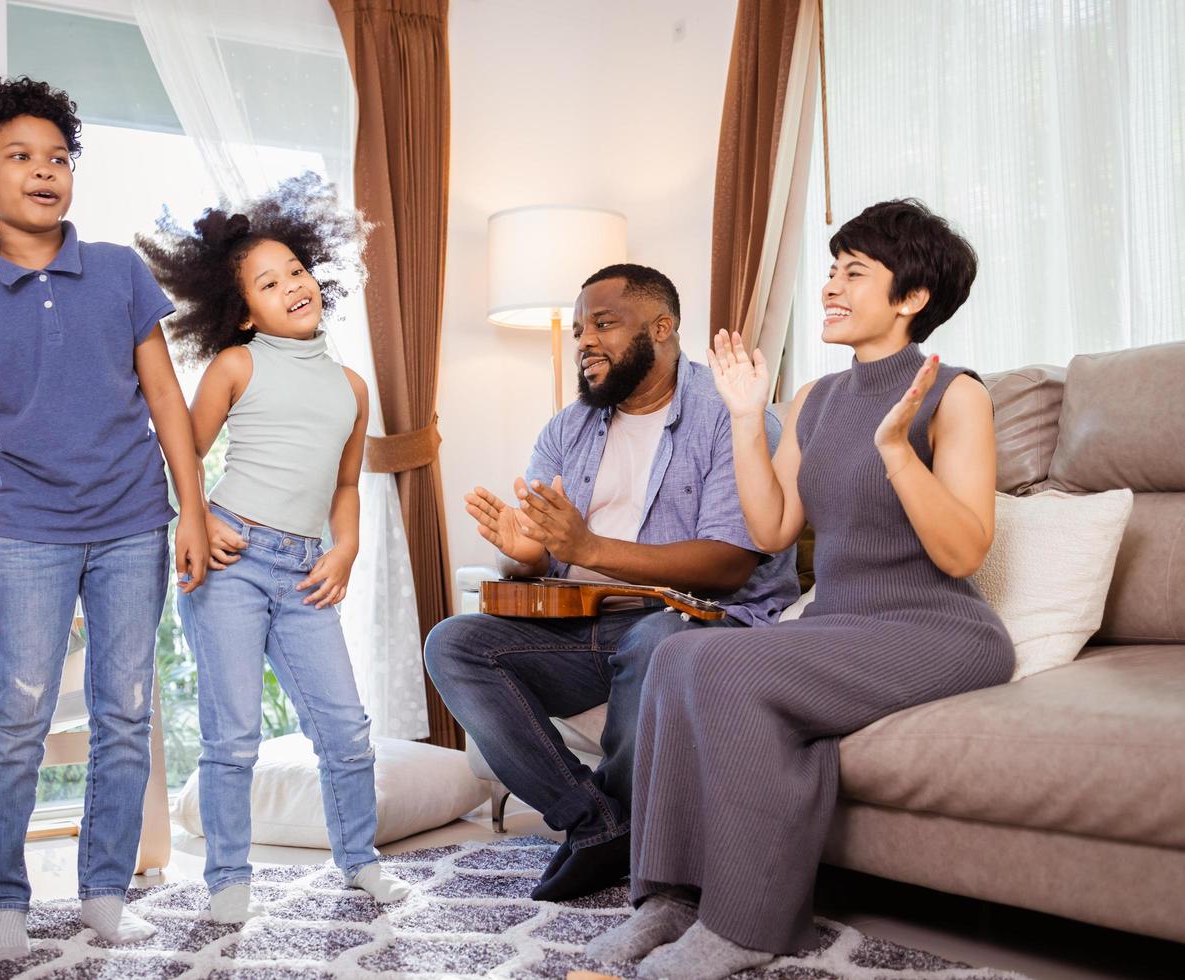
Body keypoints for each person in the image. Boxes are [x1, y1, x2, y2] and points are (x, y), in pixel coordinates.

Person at [590, 200, 1015, 979]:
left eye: (855, 272)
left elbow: (963, 550)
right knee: (681, 657)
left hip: (939, 630)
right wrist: (749, 419)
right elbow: (773, 526)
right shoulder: (817, 400)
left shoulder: (956, 395)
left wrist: (896, 450)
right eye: (831, 269)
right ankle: (674, 897)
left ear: (912, 298)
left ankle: (746, 925)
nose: (830, 286)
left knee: (721, 664)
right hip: (840, 624)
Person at [0, 77, 208, 960]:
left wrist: (190, 508)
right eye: (20, 157)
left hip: (133, 522)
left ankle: (103, 889)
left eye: (58, 158)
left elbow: (164, 395)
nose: (45, 172)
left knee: (126, 707)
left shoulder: (120, 271)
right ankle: (2, 897)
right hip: (29, 531)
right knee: (19, 711)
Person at [424, 264, 799, 902]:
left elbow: (731, 564)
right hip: (581, 629)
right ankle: (597, 824)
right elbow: (547, 551)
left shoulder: (732, 419)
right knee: (453, 642)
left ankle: (619, 829)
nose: (585, 342)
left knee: (656, 639)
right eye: (578, 331)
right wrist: (527, 556)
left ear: (662, 329)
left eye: (604, 324)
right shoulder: (566, 429)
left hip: (692, 622)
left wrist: (588, 546)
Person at [137, 174, 411, 923]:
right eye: (268, 281)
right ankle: (227, 876)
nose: (292, 285)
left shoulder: (353, 387)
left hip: (304, 571)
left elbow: (347, 484)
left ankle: (358, 861)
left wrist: (345, 547)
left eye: (296, 270)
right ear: (242, 313)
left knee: (347, 732)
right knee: (233, 735)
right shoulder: (235, 365)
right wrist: (199, 520)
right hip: (230, 560)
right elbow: (181, 452)